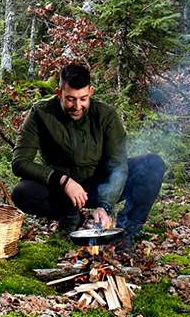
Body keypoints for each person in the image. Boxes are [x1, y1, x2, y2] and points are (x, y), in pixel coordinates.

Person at [10, 64, 166, 253]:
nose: (77, 106)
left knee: (152, 165)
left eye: (83, 99)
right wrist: (63, 180)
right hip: (62, 192)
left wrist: (105, 205)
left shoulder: (106, 115)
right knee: (22, 193)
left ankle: (127, 230)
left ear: (91, 92)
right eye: (70, 99)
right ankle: (71, 218)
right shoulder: (40, 113)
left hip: (100, 185)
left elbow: (118, 165)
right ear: (59, 93)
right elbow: (20, 162)